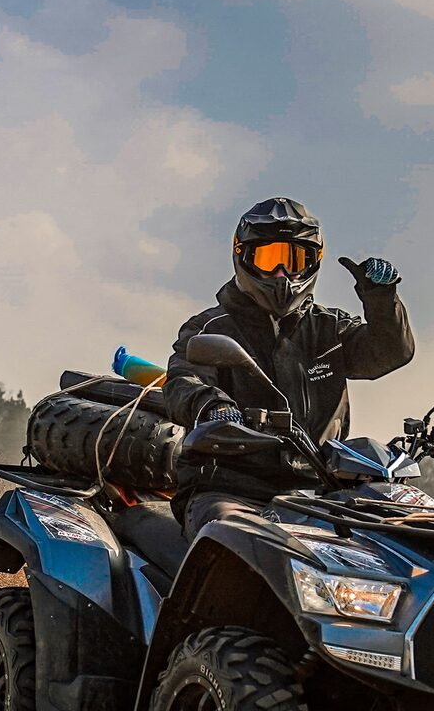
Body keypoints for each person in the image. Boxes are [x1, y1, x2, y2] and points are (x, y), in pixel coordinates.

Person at [156, 196, 415, 539]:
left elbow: (388, 353)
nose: (282, 274)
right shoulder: (212, 328)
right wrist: (212, 407)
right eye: (269, 258)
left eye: (294, 259)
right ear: (243, 256)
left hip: (321, 490)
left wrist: (382, 300)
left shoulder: (330, 328)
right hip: (230, 490)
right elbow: (183, 380)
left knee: (400, 538)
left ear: (314, 261)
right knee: (235, 538)